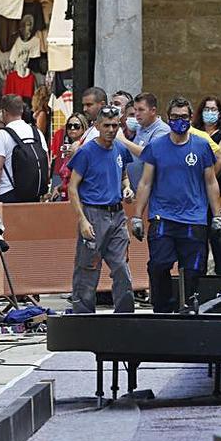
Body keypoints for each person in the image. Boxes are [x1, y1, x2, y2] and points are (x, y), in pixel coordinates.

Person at [132, 97, 221, 313]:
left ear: (191, 118)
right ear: (168, 118)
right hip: (162, 217)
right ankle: (163, 309)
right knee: (159, 264)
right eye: (175, 117)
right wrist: (137, 216)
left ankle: (189, 308)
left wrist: (218, 216)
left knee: (193, 269)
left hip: (194, 218)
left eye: (183, 117)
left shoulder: (201, 146)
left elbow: (211, 182)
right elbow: (145, 182)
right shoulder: (156, 146)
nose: (179, 121)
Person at [66, 106, 135, 313]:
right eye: (106, 125)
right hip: (93, 213)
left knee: (121, 266)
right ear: (97, 126)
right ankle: (83, 315)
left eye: (115, 125)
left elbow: (123, 174)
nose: (111, 130)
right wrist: (82, 220)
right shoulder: (86, 152)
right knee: (88, 268)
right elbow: (72, 187)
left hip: (117, 214)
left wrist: (127, 188)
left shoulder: (120, 149)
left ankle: (125, 313)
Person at [0, 94, 49, 203]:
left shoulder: (2, 135)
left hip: (8, 193)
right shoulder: (36, 133)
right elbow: (46, 162)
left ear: (3, 112)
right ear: (21, 111)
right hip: (33, 194)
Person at [194, 95, 221, 276]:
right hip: (196, 194)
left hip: (216, 191)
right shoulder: (193, 133)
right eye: (207, 109)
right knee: (200, 239)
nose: (210, 113)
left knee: (217, 238)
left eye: (213, 109)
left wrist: (210, 180)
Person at [117, 93, 171, 195]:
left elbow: (150, 154)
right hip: (134, 191)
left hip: (153, 195)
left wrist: (123, 140)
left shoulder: (162, 130)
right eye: (135, 110)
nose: (137, 114)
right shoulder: (140, 127)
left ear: (153, 111)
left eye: (141, 110)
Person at [51, 112, 88, 200]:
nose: (72, 128)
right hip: (66, 197)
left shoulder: (85, 148)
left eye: (76, 126)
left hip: (80, 199)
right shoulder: (69, 149)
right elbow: (67, 179)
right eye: (69, 126)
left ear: (83, 129)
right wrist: (59, 188)